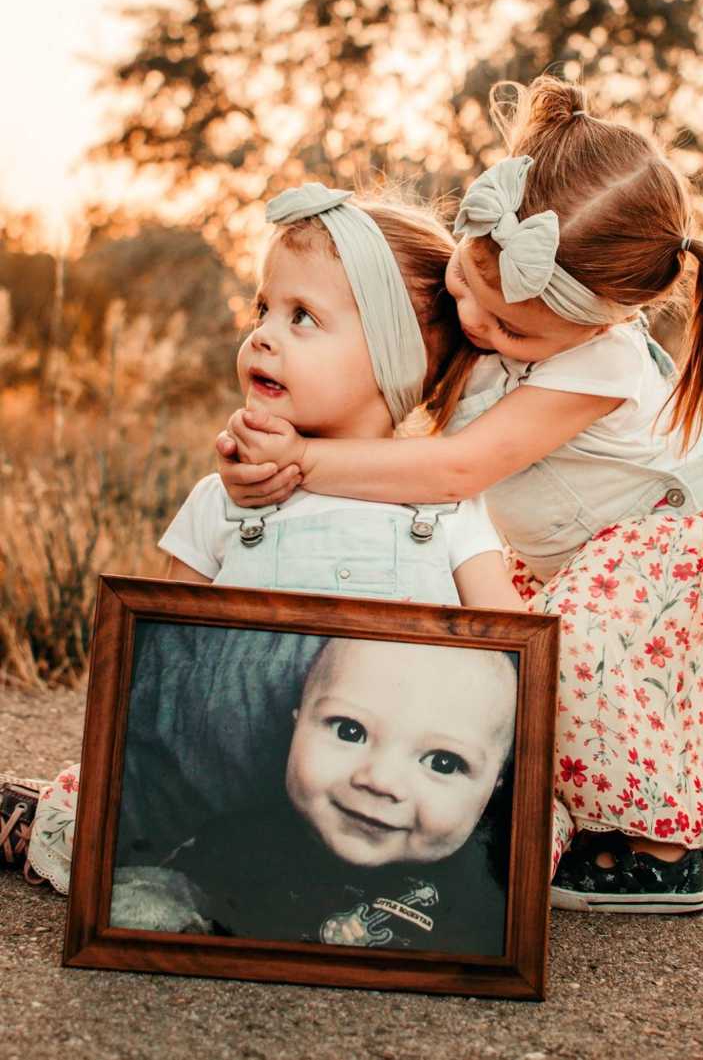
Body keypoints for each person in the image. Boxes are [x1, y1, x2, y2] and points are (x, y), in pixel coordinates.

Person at [217, 74, 703, 914]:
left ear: (600, 319)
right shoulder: (497, 301)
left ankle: (660, 846)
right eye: (462, 286)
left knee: (569, 653)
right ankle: (567, 802)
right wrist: (266, 451)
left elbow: (457, 471)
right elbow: (394, 405)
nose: (476, 325)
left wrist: (303, 462)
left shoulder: (602, 364)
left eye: (510, 328)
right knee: (489, 657)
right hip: (573, 539)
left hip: (671, 545)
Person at [2, 184, 526, 897]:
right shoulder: (227, 498)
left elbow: (516, 650)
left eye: (303, 316)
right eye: (263, 309)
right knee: (99, 830)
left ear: (395, 354)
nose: (262, 336)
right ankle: (50, 828)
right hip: (221, 804)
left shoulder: (445, 507)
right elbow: (147, 653)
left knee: (517, 855)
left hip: (397, 802)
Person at [110, 636, 517, 954]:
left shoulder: (497, 894)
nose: (380, 781)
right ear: (295, 725)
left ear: (493, 788)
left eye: (442, 763)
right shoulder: (238, 843)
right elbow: (156, 897)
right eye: (349, 731)